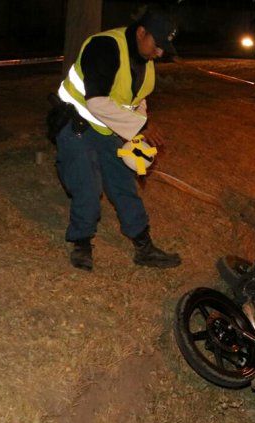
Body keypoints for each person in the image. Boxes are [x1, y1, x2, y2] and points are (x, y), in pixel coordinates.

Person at [52, 8, 181, 271]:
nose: (159, 54)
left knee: (123, 183)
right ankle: (81, 242)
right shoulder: (105, 46)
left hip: (108, 128)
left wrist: (135, 141)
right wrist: (141, 126)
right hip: (76, 123)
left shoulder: (144, 60)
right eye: (157, 46)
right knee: (88, 186)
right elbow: (97, 101)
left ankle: (143, 247)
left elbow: (136, 101)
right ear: (142, 32)